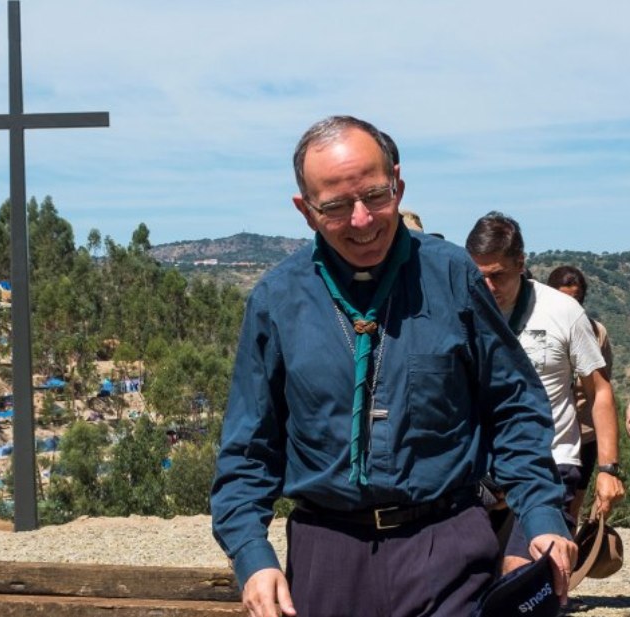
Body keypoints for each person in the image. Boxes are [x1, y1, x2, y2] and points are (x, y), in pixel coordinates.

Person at [210, 116, 576, 617]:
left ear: (398, 185)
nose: (362, 220)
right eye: (336, 207)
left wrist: (541, 512)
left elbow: (512, 403)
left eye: (376, 197)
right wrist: (252, 556)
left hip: (448, 547)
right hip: (326, 557)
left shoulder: (452, 276)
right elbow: (249, 450)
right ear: (306, 211)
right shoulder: (277, 299)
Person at [464, 213, 625, 575]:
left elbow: (599, 390)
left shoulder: (562, 311)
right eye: (480, 275)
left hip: (553, 461)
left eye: (498, 275)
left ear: (521, 263)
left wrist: (608, 469)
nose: (488, 286)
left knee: (522, 573)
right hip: (482, 470)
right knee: (468, 579)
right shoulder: (463, 310)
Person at [546, 265, 615, 523]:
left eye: (575, 299)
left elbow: (602, 383)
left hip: (585, 433)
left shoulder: (597, 333)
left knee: (573, 504)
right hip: (551, 430)